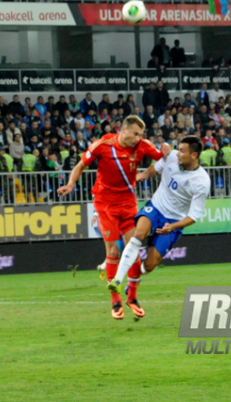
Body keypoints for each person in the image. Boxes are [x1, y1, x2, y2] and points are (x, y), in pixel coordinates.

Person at [57, 115, 170, 320]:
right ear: (123, 130)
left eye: (141, 134)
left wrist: (166, 149)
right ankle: (115, 301)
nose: (138, 138)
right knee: (113, 250)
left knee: (134, 248)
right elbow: (81, 165)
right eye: (135, 133)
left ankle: (132, 297)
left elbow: (164, 158)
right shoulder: (103, 145)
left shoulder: (143, 146)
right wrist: (71, 184)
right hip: (105, 203)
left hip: (128, 203)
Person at [108, 137, 210, 319]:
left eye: (183, 151)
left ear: (194, 155)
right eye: (178, 149)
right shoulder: (171, 157)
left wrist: (173, 226)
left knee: (150, 264)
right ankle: (118, 278)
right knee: (138, 235)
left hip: (174, 221)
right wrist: (144, 175)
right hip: (155, 208)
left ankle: (132, 284)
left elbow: (194, 216)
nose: (178, 153)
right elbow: (156, 168)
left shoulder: (201, 181)